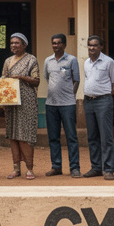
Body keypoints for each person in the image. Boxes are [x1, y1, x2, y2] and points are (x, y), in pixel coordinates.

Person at [0, 33, 41, 179]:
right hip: (11, 102)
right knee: (13, 134)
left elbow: (36, 81)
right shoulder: (8, 61)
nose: (13, 45)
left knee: (25, 135)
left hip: (26, 101)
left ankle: (29, 169)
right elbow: (4, 79)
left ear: (24, 45)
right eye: (11, 43)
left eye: (17, 43)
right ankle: (16, 168)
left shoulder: (31, 59)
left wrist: (20, 77)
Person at [82, 35, 114, 180]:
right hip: (88, 102)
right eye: (90, 45)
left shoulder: (109, 62)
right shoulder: (86, 63)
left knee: (106, 137)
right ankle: (96, 167)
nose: (92, 48)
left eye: (95, 45)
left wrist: (105, 96)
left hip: (103, 102)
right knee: (92, 137)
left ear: (101, 47)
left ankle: (108, 169)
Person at [43, 33, 81, 177]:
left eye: (59, 43)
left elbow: (76, 79)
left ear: (64, 45)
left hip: (68, 104)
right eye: (54, 43)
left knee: (71, 137)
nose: (56, 45)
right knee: (53, 137)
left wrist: (71, 95)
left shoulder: (72, 60)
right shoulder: (48, 61)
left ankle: (75, 167)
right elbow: (47, 78)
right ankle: (56, 166)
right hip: (51, 104)